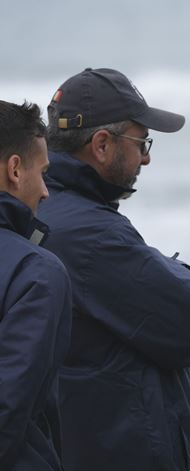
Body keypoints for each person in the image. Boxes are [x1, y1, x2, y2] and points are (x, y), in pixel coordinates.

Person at [38, 68, 190, 471]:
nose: (146, 156)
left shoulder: (40, 211)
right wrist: (178, 271)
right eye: (141, 141)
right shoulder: (92, 237)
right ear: (102, 145)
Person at [0, 100, 71, 470]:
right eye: (42, 173)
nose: (45, 191)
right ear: (15, 169)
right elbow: (7, 407)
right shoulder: (36, 272)